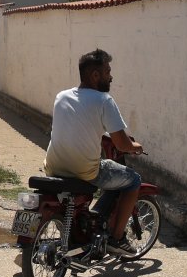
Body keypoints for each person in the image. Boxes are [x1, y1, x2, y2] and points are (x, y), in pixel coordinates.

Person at [43, 49, 145, 259]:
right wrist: (135, 146)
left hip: (53, 166)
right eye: (107, 71)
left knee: (109, 174)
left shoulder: (61, 96)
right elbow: (121, 144)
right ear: (95, 75)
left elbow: (78, 124)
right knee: (133, 180)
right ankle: (117, 239)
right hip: (84, 170)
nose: (111, 76)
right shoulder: (104, 100)